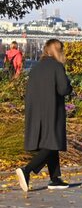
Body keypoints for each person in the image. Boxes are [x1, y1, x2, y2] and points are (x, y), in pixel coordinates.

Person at [15, 39, 72, 192]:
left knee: (50, 142)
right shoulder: (57, 66)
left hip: (36, 110)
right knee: (52, 143)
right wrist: (69, 84)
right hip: (52, 109)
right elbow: (63, 89)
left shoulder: (36, 67)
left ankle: (55, 178)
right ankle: (26, 170)